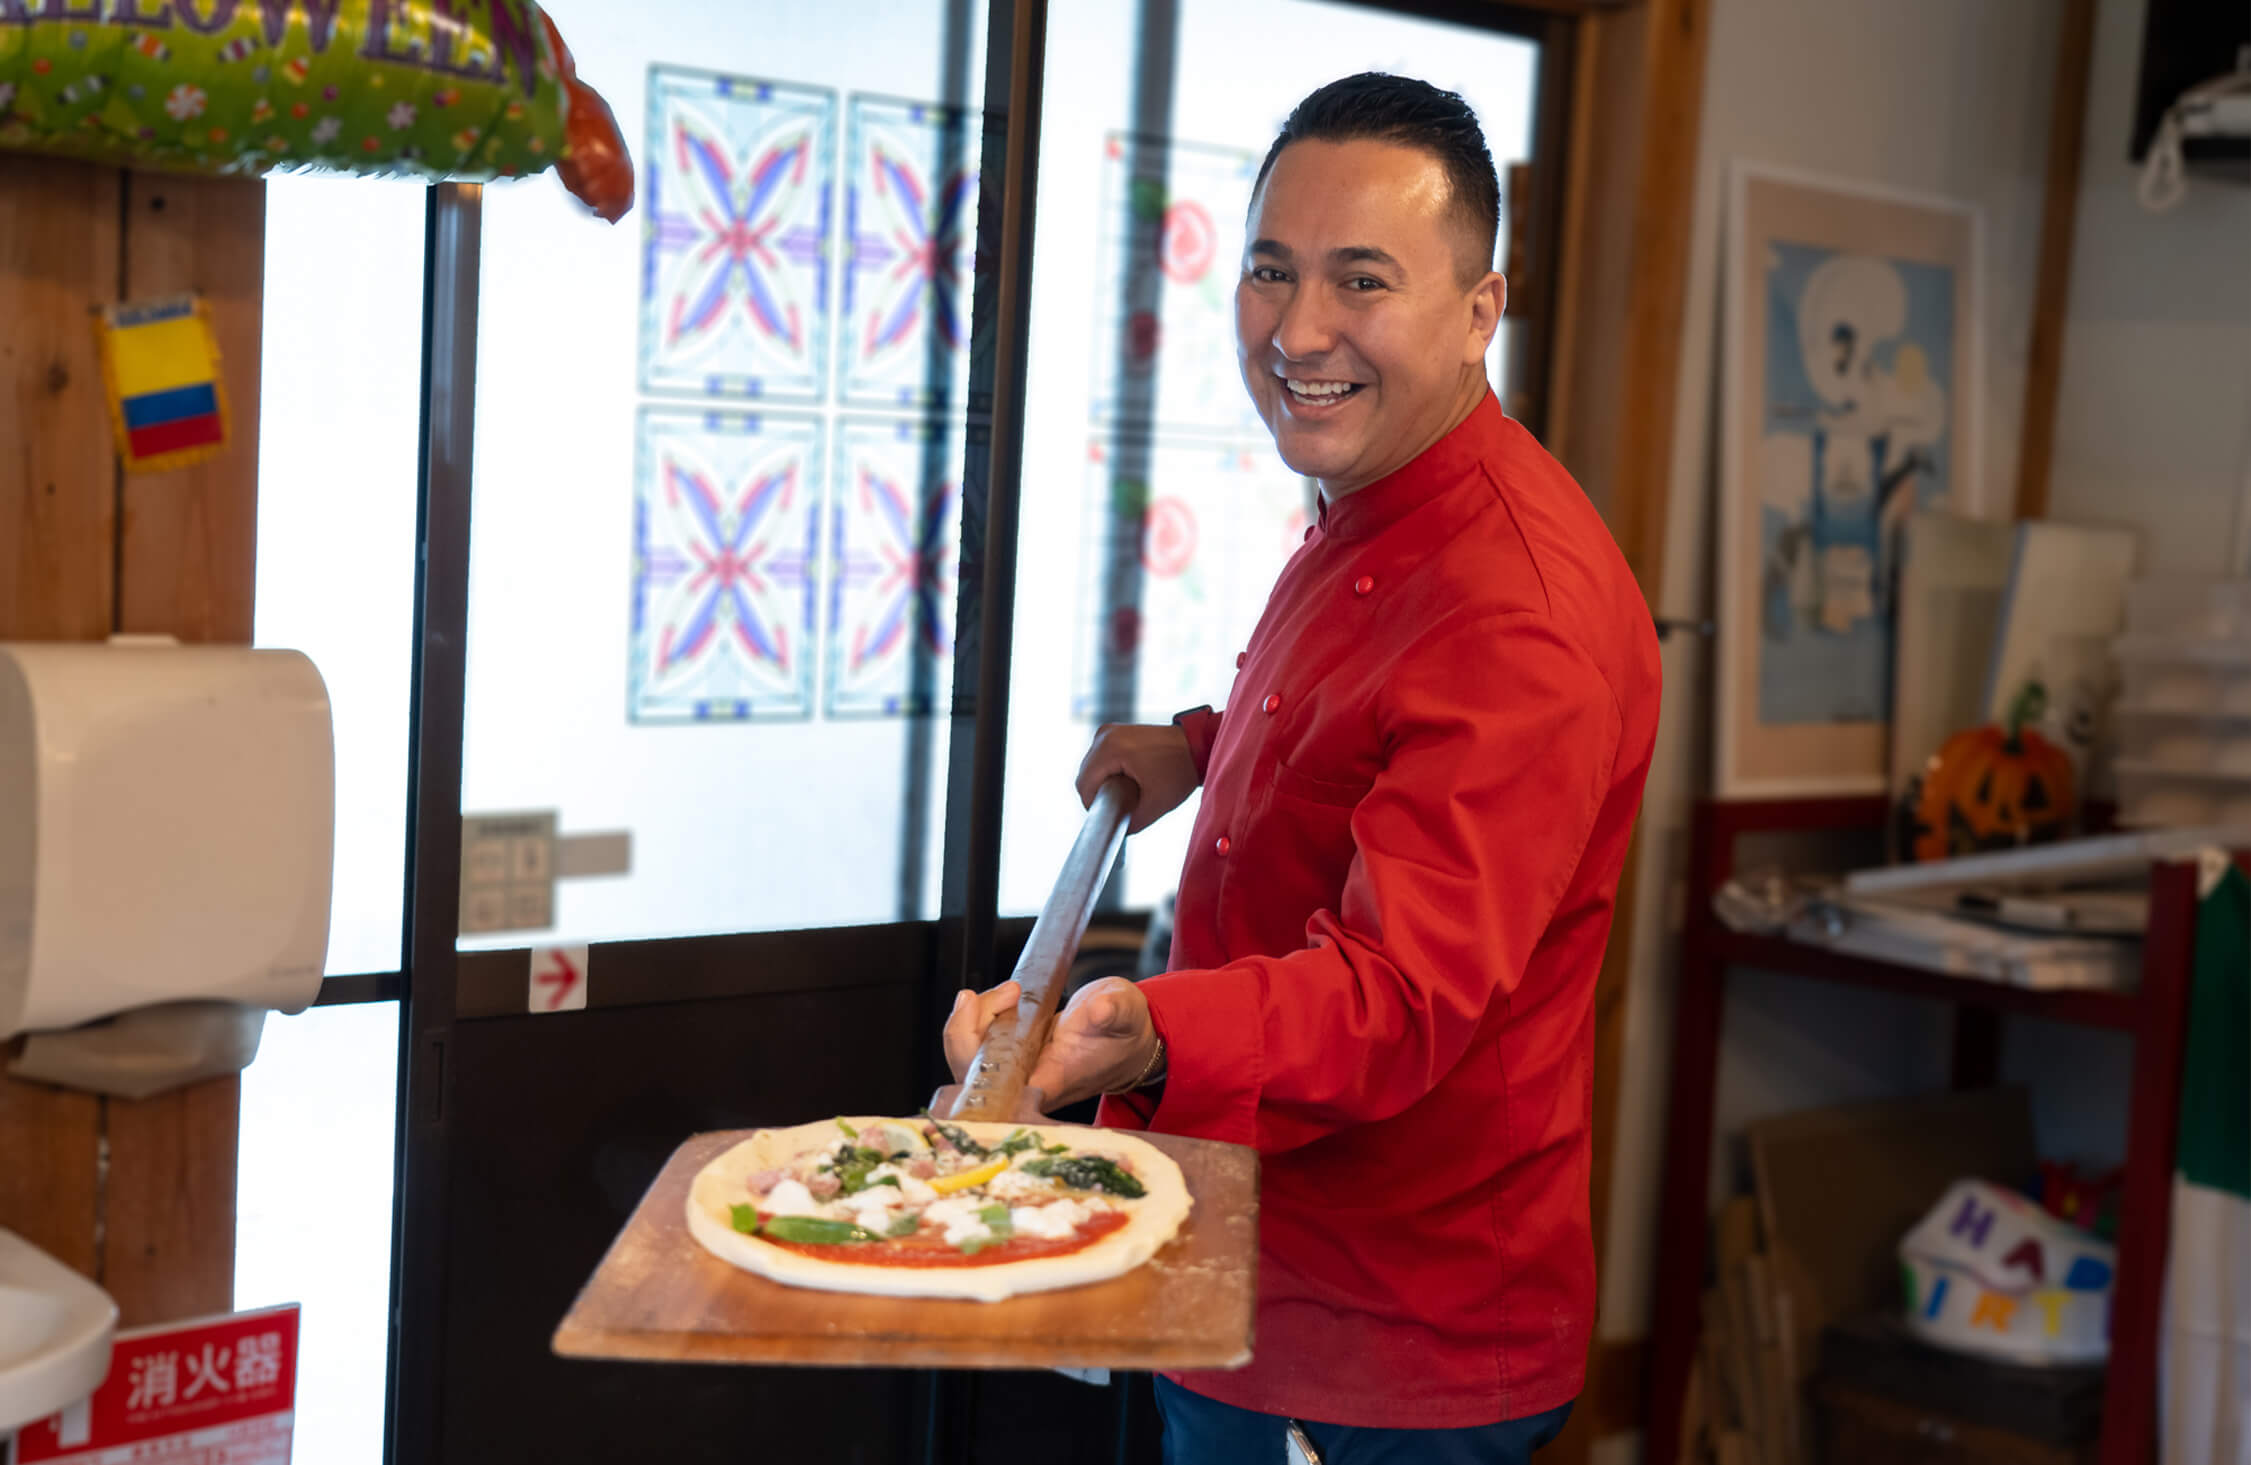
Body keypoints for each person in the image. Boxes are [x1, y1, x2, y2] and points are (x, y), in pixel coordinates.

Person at [946, 72, 1660, 1465]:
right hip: (1253, 1260)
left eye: (1362, 281)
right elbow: (1372, 739)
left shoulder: (1515, 611)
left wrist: (1148, 1032)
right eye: (1272, 269)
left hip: (1380, 1334)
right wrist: (1200, 749)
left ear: (1480, 311)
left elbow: (1396, 996)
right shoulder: (1376, 491)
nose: (1299, 329)